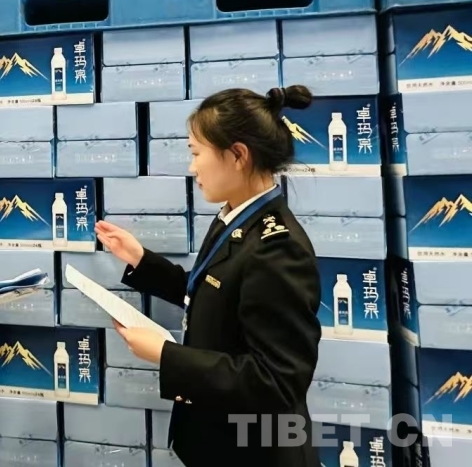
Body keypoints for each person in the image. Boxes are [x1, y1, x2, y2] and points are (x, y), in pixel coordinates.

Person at [98, 85, 322, 467]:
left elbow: (277, 381)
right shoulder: (236, 217)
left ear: (237, 155)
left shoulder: (278, 249)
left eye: (196, 153)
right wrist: (141, 260)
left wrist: (166, 355)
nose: (192, 168)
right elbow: (213, 293)